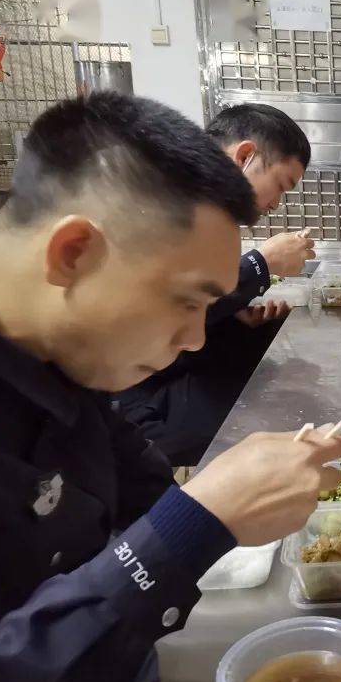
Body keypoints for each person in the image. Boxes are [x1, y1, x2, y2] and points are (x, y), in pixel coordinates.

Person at [0, 93, 341, 682]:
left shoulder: (67, 362)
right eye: (186, 303)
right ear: (72, 252)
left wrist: (242, 497)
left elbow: (146, 488)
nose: (190, 340)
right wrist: (194, 523)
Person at [116, 103, 316, 465]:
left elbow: (192, 309)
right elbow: (155, 312)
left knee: (280, 369)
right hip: (135, 396)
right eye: (280, 186)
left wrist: (239, 321)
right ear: (244, 156)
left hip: (167, 372)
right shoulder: (157, 203)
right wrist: (262, 264)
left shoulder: (202, 207)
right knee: (284, 408)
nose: (276, 204)